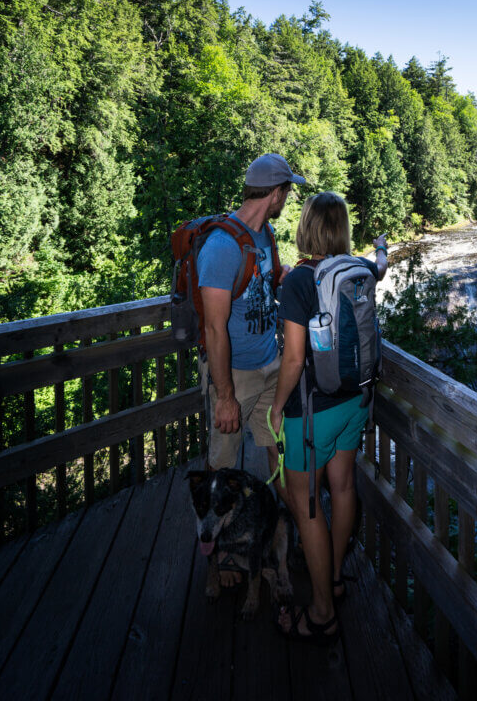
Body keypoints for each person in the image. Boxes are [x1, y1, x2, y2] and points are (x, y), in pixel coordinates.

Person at [270, 192, 388, 643]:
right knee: (342, 488)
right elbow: (381, 266)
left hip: (311, 411)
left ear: (306, 228)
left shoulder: (299, 281)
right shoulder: (360, 270)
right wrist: (381, 247)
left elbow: (293, 358)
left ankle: (322, 613)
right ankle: (335, 579)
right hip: (356, 401)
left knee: (306, 507)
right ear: (342, 230)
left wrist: (277, 407)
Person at [198, 153, 305, 585]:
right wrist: (225, 396)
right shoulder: (221, 247)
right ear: (275, 193)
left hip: (271, 365)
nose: (287, 199)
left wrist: (283, 276)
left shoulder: (266, 235)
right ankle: (220, 556)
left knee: (278, 453)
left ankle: (292, 533)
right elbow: (213, 327)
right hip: (236, 376)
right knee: (222, 464)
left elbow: (266, 280)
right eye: (287, 191)